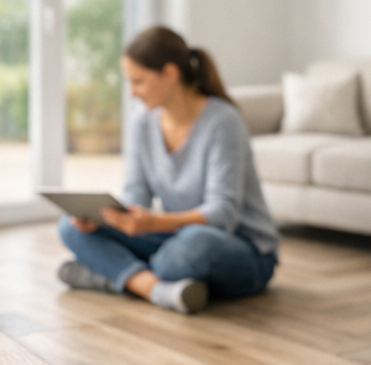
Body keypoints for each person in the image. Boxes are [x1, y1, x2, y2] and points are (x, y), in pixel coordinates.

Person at [57, 25, 279, 314]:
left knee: (183, 252)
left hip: (240, 248)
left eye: (138, 82)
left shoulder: (222, 121)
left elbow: (223, 214)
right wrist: (113, 219)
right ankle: (156, 289)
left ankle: (110, 276)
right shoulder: (142, 122)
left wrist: (153, 223)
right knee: (71, 227)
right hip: (175, 235)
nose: (132, 93)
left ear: (170, 74)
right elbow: (136, 193)